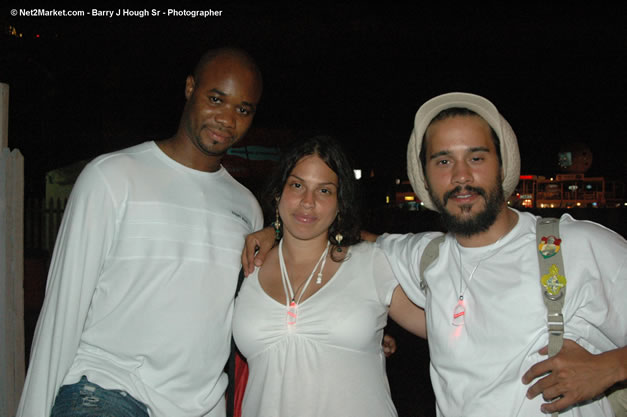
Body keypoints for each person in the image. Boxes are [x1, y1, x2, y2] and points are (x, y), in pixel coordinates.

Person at [242, 93, 626, 417]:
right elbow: (339, 233)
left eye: (476, 157)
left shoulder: (576, 246)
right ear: (424, 178)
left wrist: (609, 367)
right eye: (443, 161)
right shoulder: (423, 256)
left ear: (502, 164)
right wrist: (276, 230)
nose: (461, 176)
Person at [17, 47, 264, 417]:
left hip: (200, 404)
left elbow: (253, 315)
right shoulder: (113, 177)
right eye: (216, 99)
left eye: (242, 109)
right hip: (106, 388)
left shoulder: (247, 209)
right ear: (189, 88)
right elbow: (63, 308)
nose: (227, 118)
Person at [232, 135, 426, 417]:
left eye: (324, 191)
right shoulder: (248, 265)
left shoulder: (370, 262)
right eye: (297, 185)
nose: (307, 202)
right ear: (278, 194)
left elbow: (445, 327)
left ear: (339, 203)